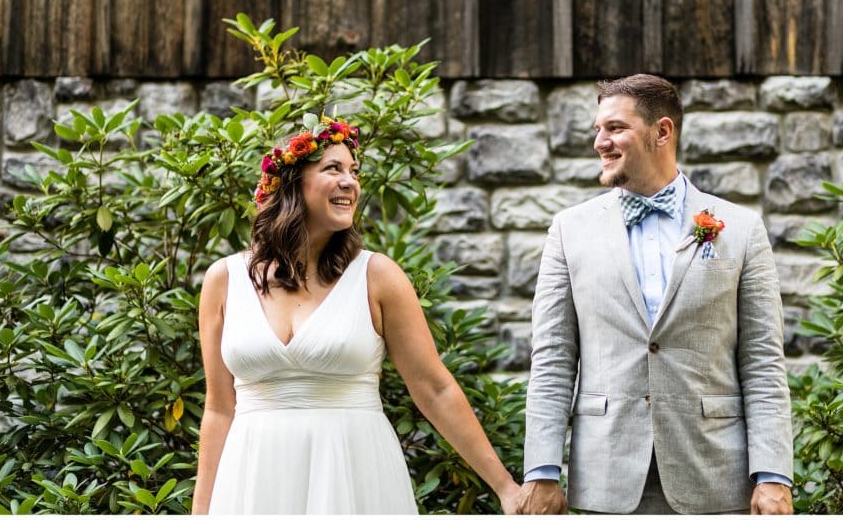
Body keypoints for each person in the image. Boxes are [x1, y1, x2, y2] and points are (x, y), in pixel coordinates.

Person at [191, 114, 521, 514]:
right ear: (292, 184)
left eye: (354, 171)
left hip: (354, 470)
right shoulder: (224, 280)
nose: (350, 181)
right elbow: (218, 409)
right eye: (333, 169)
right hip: (253, 476)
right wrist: (201, 513)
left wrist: (507, 488)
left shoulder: (377, 276)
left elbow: (435, 388)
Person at [518, 74, 793, 515]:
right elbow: (552, 360)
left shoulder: (740, 230)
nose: (599, 142)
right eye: (598, 130)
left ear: (662, 131)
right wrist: (541, 471)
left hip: (715, 477)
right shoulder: (569, 232)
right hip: (606, 479)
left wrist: (773, 474)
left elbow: (762, 361)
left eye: (615, 128)